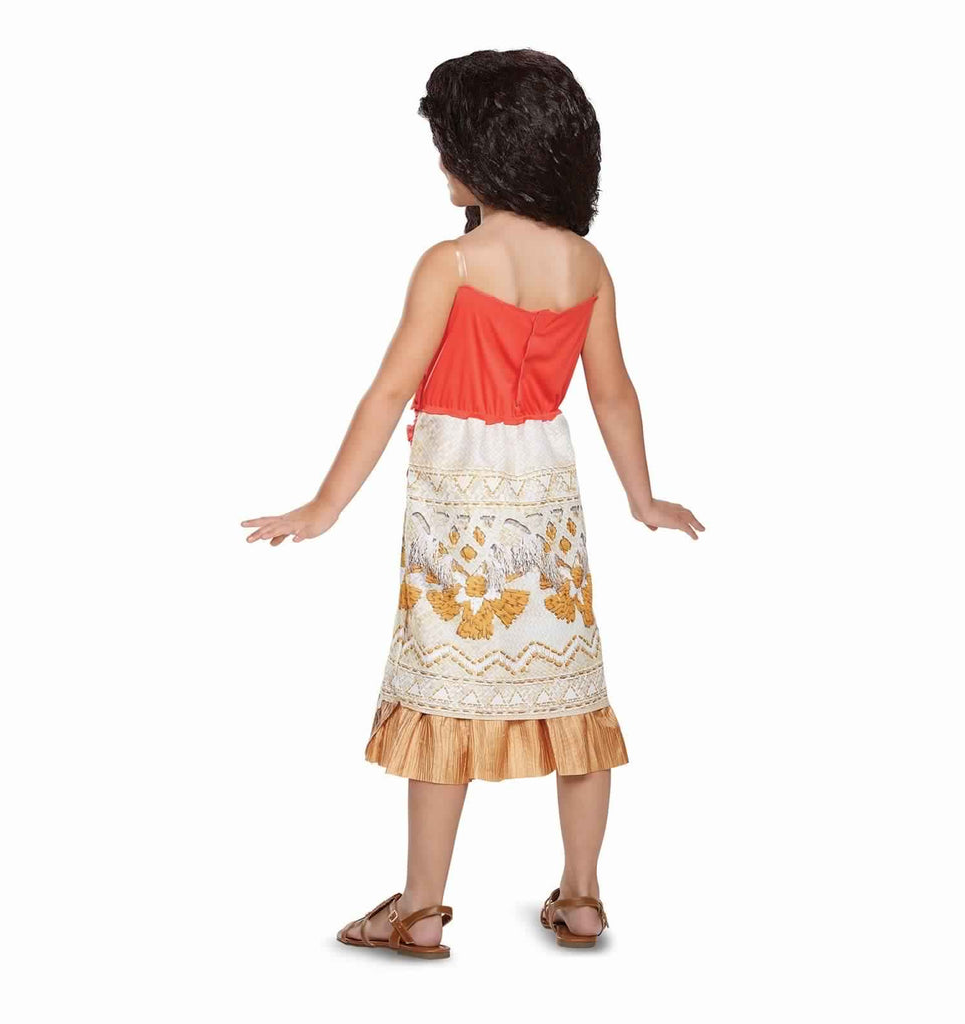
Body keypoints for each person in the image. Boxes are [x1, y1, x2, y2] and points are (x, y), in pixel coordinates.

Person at [241, 48, 704, 959]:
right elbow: (613, 393)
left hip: (457, 506)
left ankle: (419, 910)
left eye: (447, 145)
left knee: (441, 693)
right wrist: (642, 496)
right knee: (573, 691)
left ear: (488, 153)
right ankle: (582, 897)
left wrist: (325, 505)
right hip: (545, 503)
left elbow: (388, 393)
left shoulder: (452, 262)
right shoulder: (586, 264)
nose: (440, 165)